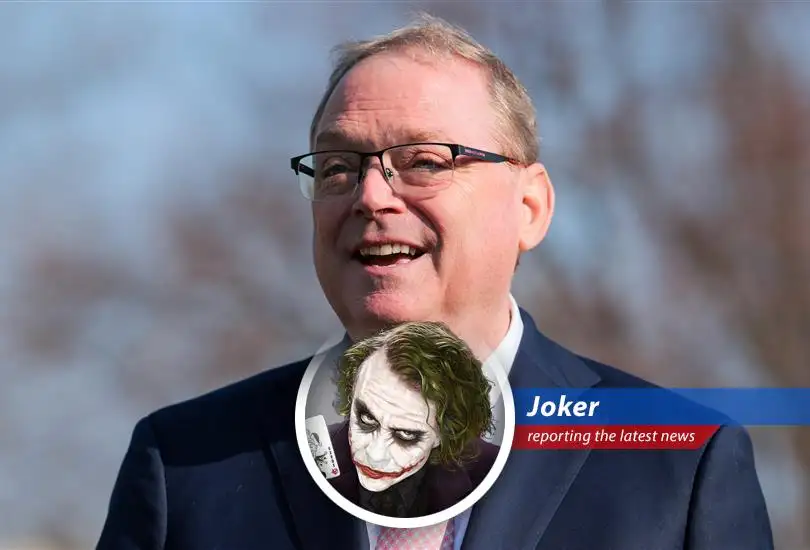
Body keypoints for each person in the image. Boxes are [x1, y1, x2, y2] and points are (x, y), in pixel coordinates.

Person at [97, 13, 774, 550]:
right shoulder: (186, 463)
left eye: (423, 161)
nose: (370, 196)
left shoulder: (681, 464)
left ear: (530, 207)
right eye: (337, 167)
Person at [324, 321, 498, 519]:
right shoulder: (307, 453)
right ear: (352, 393)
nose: (375, 454)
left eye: (406, 434)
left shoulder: (494, 471)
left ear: (445, 433)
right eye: (366, 419)